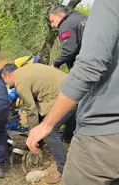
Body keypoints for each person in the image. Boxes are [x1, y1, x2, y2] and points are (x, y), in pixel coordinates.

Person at [26, 1, 119, 184]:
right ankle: (68, 135)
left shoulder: (68, 24)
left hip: (105, 128)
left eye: (52, 22)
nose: (53, 26)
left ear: (60, 16)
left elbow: (88, 64)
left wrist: (46, 124)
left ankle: (61, 167)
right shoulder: (83, 19)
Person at [0, 63, 76, 183]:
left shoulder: (20, 83)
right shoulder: (28, 69)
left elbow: (32, 111)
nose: (7, 85)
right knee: (49, 117)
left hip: (66, 95)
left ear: (7, 76)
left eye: (5, 81)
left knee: (51, 131)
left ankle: (63, 171)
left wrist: (33, 135)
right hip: (74, 87)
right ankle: (63, 139)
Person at [48, 5, 87, 70]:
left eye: (52, 21)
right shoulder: (84, 18)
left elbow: (69, 50)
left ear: (60, 15)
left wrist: (55, 64)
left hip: (85, 67)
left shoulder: (66, 25)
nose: (52, 25)